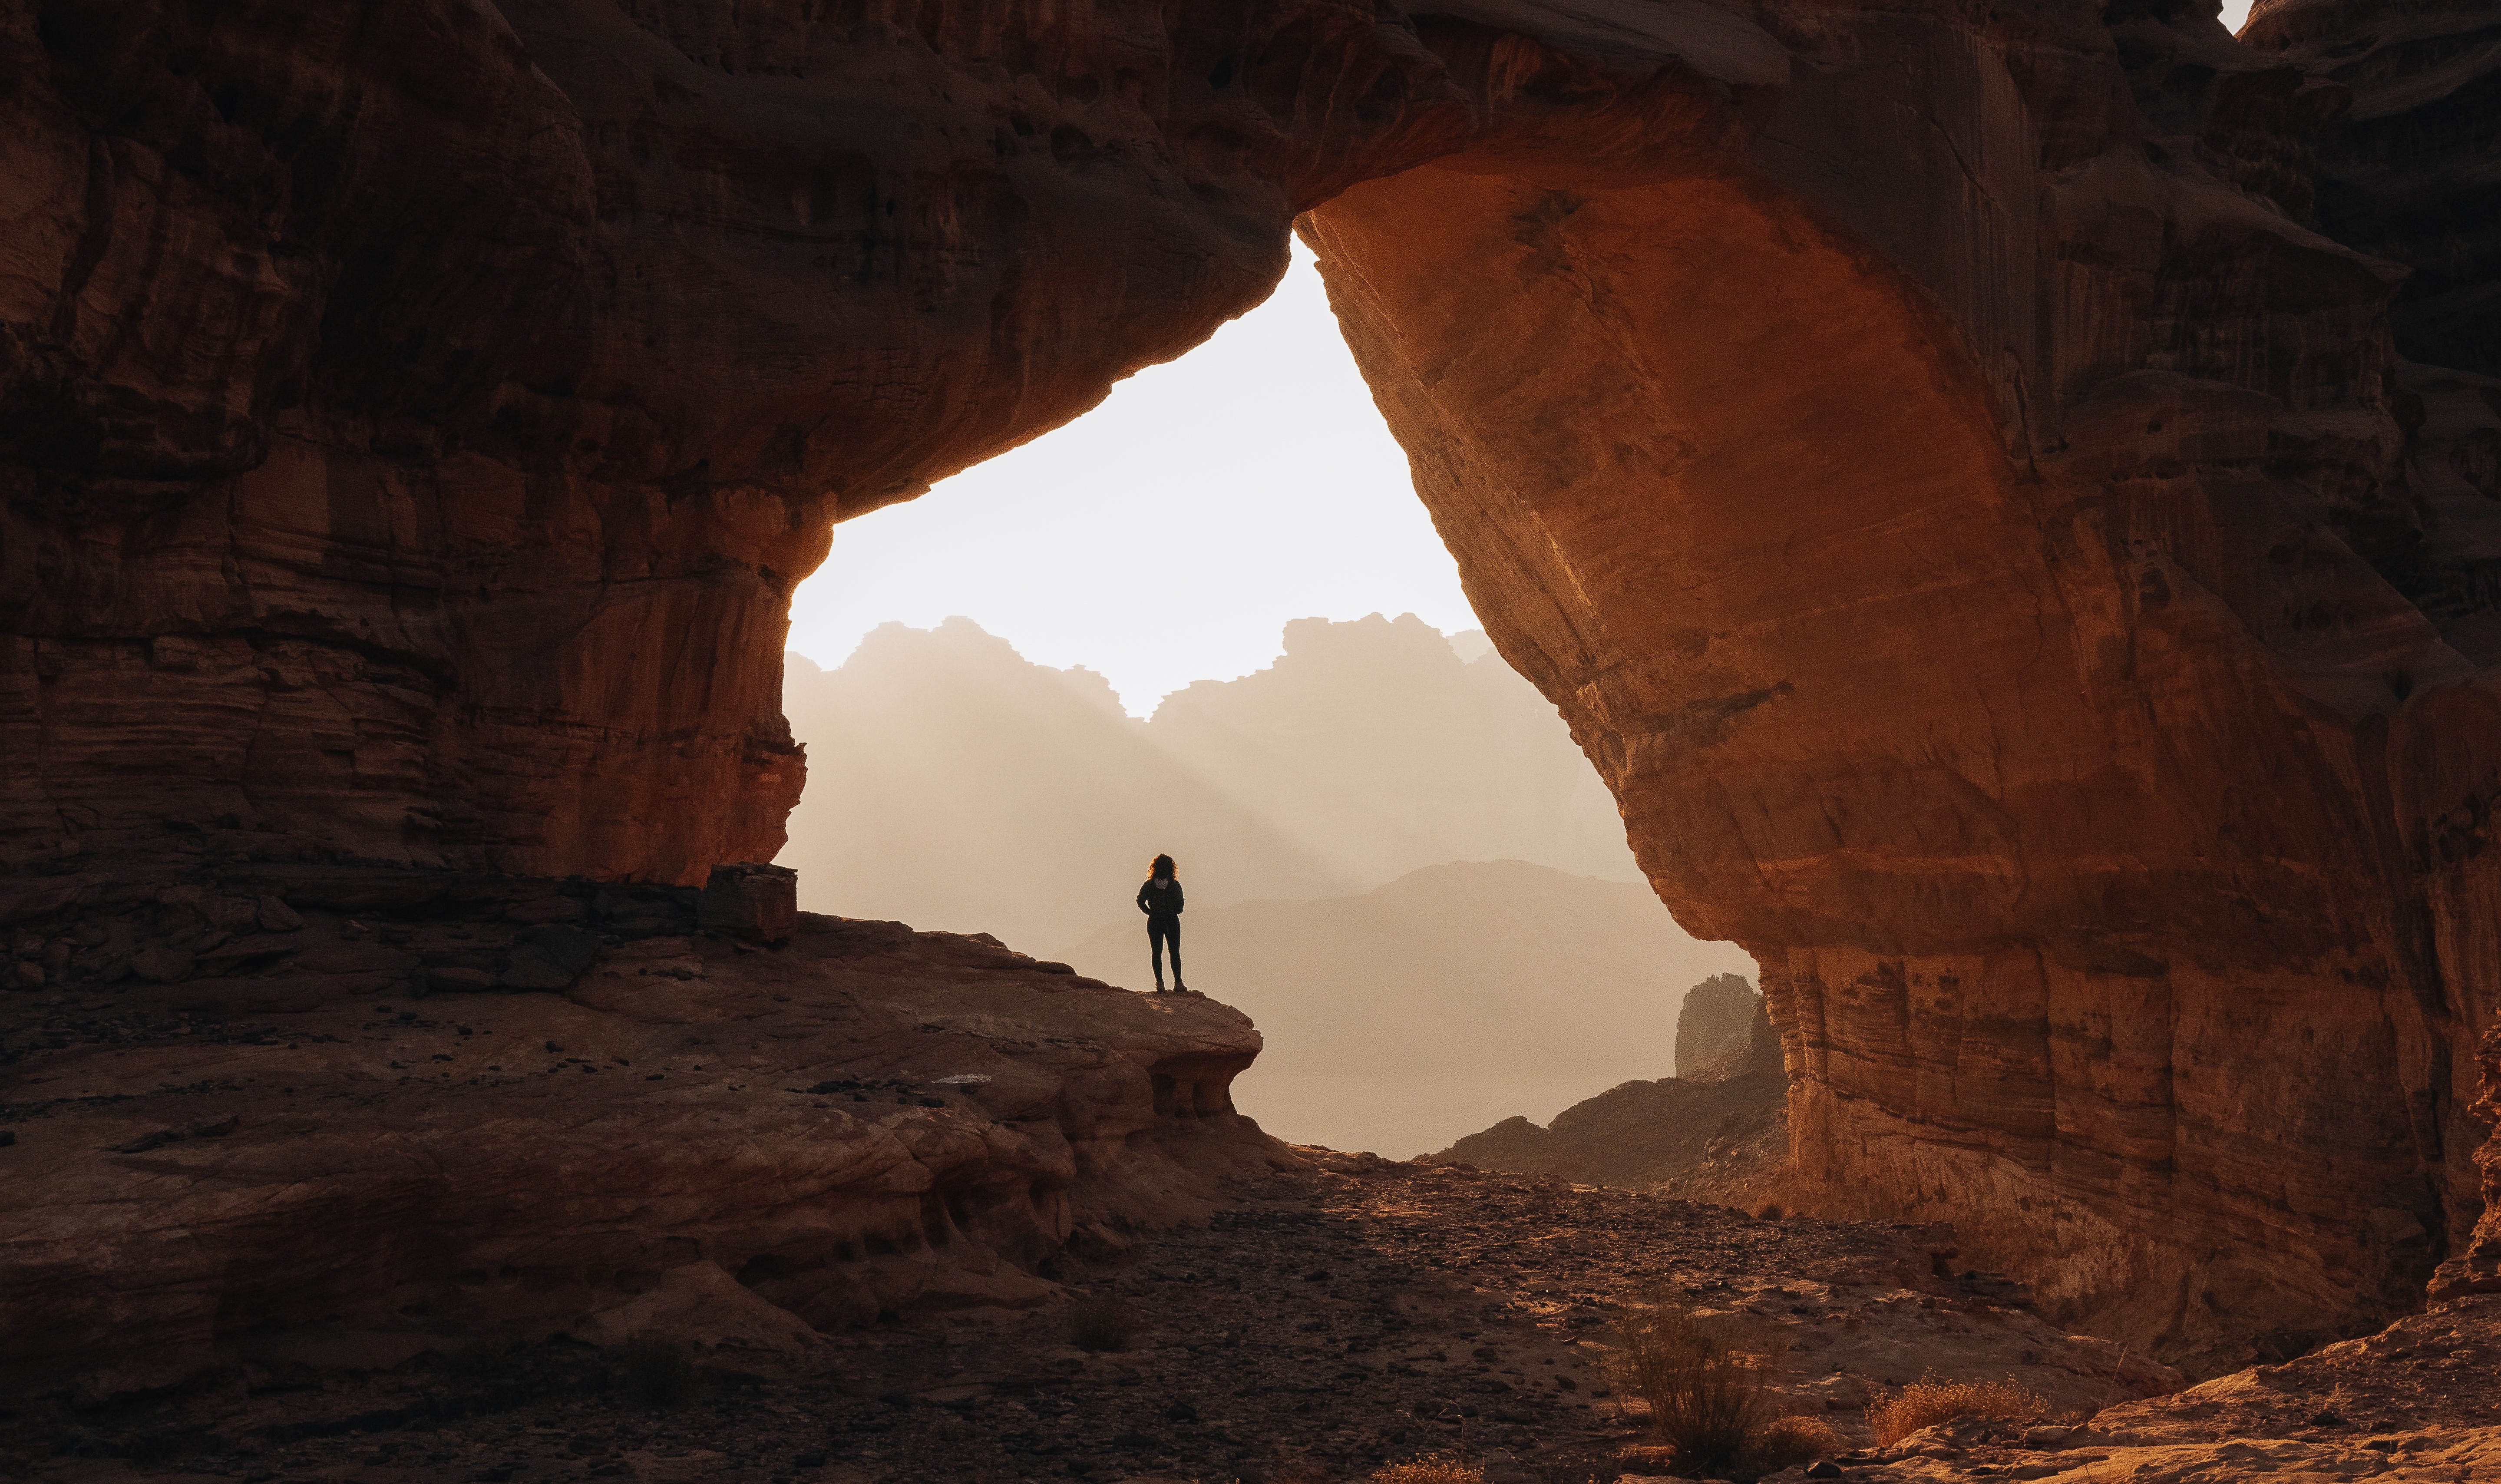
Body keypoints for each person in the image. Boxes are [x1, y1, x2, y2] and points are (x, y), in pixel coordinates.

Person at [1136, 853, 1186, 993]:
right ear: (1172, 869)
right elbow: (1180, 906)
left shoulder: (1149, 885)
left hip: (1155, 921)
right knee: (1174, 952)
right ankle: (1178, 983)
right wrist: (1174, 909)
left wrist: (1150, 912)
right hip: (1171, 921)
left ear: (1154, 868)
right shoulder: (1175, 885)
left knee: (1156, 952)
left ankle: (1160, 984)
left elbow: (1140, 900)